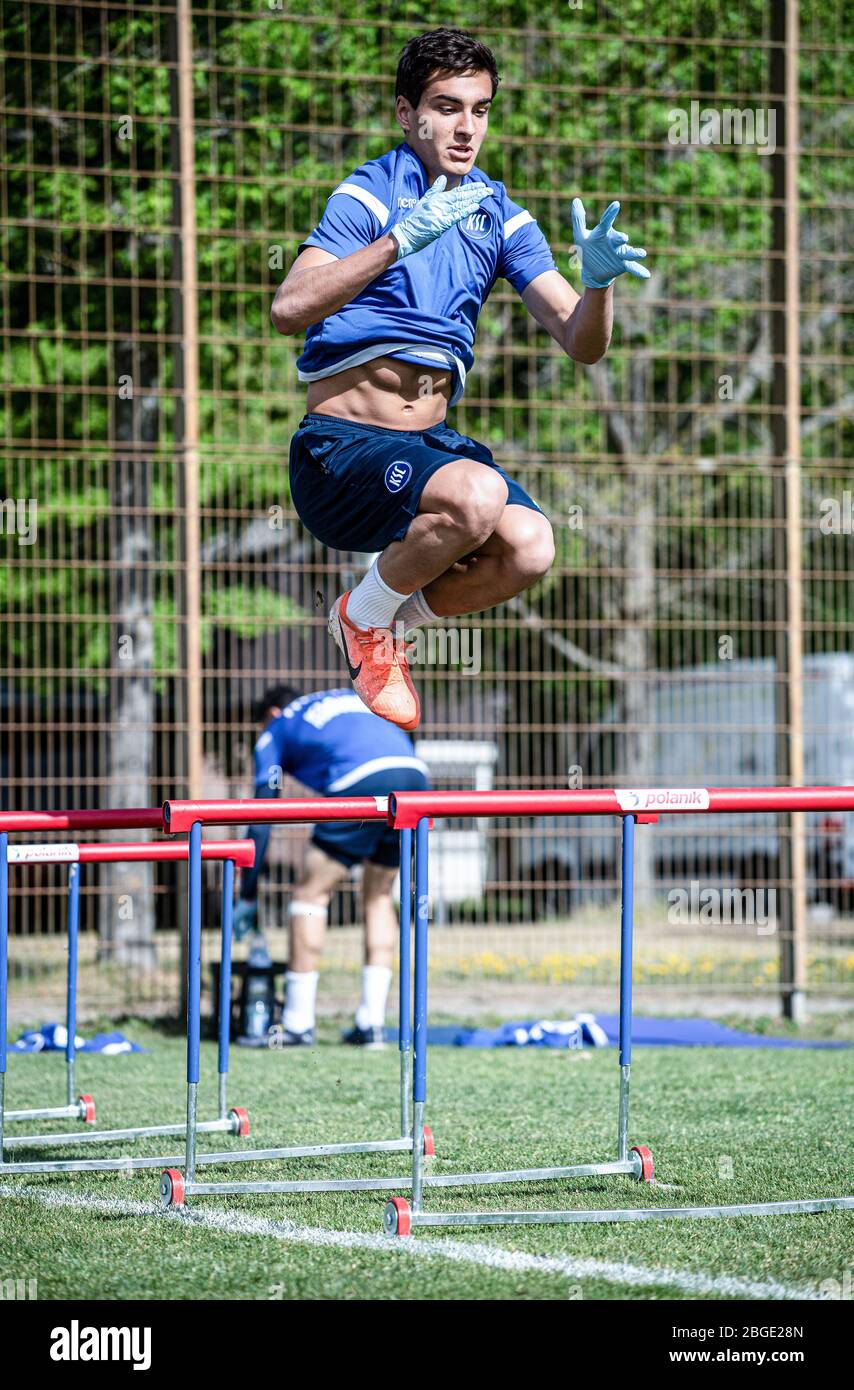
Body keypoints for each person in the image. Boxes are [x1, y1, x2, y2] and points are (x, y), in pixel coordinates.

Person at [272, 26, 649, 731]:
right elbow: (287, 308)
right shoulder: (371, 194)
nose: (465, 126)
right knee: (475, 498)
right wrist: (397, 242)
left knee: (532, 547)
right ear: (406, 114)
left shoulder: (499, 214)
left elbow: (581, 342)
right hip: (341, 453)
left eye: (479, 109)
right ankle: (367, 616)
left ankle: (378, 622)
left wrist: (597, 287)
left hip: (428, 451)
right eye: (446, 107)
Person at [233, 684, 430, 1047]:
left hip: (362, 779)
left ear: (271, 714)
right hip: (414, 776)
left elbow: (260, 816)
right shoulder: (348, 697)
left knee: (310, 894)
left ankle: (296, 1023)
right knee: (379, 896)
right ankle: (371, 1025)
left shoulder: (278, 726)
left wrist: (246, 894)